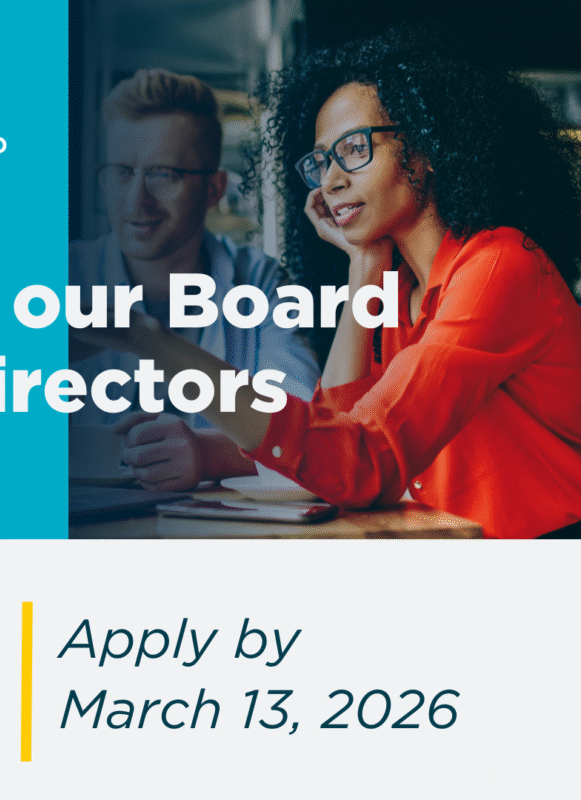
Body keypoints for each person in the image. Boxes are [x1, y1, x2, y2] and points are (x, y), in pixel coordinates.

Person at [72, 28, 581, 538]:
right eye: (322, 161)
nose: (332, 180)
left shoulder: (499, 267)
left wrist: (150, 340)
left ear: (425, 149)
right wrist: (364, 264)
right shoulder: (397, 292)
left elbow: (357, 462)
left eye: (355, 149)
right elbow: (334, 438)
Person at [70, 68, 320, 491]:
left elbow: (306, 432)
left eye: (163, 174)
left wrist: (209, 455)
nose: (137, 200)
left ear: (213, 189)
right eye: (122, 172)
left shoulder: (258, 282)